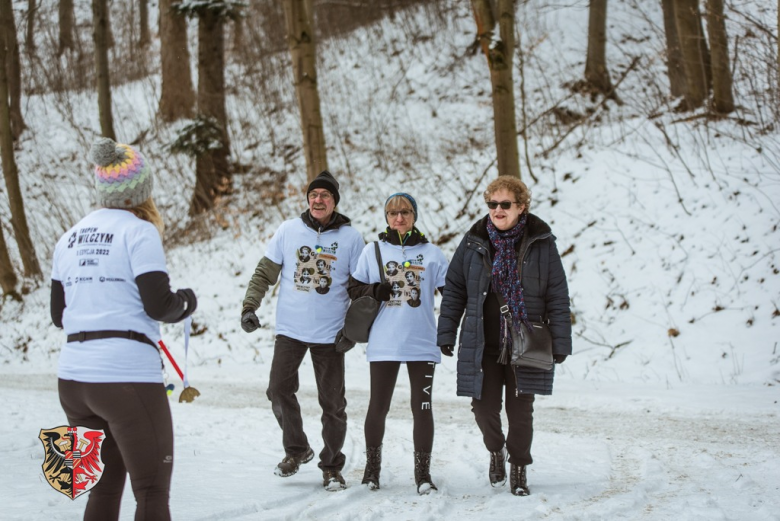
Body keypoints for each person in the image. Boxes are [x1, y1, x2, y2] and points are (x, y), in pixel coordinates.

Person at [50, 137, 198, 520]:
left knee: (102, 491)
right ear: (142, 190)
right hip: (125, 378)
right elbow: (160, 305)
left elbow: (57, 314)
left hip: (73, 380)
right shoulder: (139, 231)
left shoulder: (68, 238)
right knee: (150, 492)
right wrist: (188, 301)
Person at [437, 176, 572, 497]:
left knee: (520, 410)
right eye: (492, 204)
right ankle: (496, 451)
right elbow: (455, 289)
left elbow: (557, 294)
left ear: (521, 207)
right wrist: (447, 331)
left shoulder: (541, 242)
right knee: (483, 409)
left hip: (526, 341)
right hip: (482, 342)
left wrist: (561, 341)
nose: (497, 210)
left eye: (505, 204)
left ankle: (519, 465)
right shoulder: (473, 242)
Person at [241, 170, 364, 490]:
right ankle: (297, 450)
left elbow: (361, 291)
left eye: (324, 195)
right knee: (278, 390)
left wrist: (353, 331)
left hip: (331, 335)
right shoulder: (288, 230)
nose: (317, 199)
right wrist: (249, 306)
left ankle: (332, 465)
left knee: (333, 405)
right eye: (313, 195)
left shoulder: (351, 238)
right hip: (290, 330)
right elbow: (264, 273)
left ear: (334, 201)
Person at [346, 193, 448, 494]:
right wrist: (375, 289)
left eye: (405, 212)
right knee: (378, 407)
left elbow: (451, 295)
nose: (398, 218)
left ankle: (423, 476)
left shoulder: (433, 254)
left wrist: (450, 330)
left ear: (414, 215)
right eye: (392, 213)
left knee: (422, 407)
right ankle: (371, 472)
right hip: (384, 342)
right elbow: (353, 288)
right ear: (386, 217)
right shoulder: (372, 250)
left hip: (422, 342)